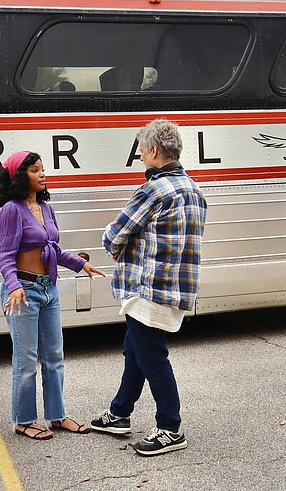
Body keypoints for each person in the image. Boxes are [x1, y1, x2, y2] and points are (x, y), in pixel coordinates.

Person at [91, 118, 207, 456]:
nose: (141, 157)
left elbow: (114, 234)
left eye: (142, 151)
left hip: (148, 289)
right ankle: (120, 412)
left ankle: (170, 428)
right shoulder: (193, 189)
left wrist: (115, 247)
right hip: (176, 289)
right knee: (135, 352)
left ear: (155, 150)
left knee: (152, 357)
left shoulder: (154, 190)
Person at [0, 150, 105, 440]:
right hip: (23, 291)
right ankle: (24, 420)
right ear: (20, 177)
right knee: (27, 359)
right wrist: (14, 285)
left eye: (43, 169)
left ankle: (56, 415)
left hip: (48, 289)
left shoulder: (45, 207)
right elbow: (5, 255)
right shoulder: (11, 210)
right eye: (34, 171)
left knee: (55, 356)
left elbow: (53, 248)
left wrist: (80, 264)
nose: (42, 174)